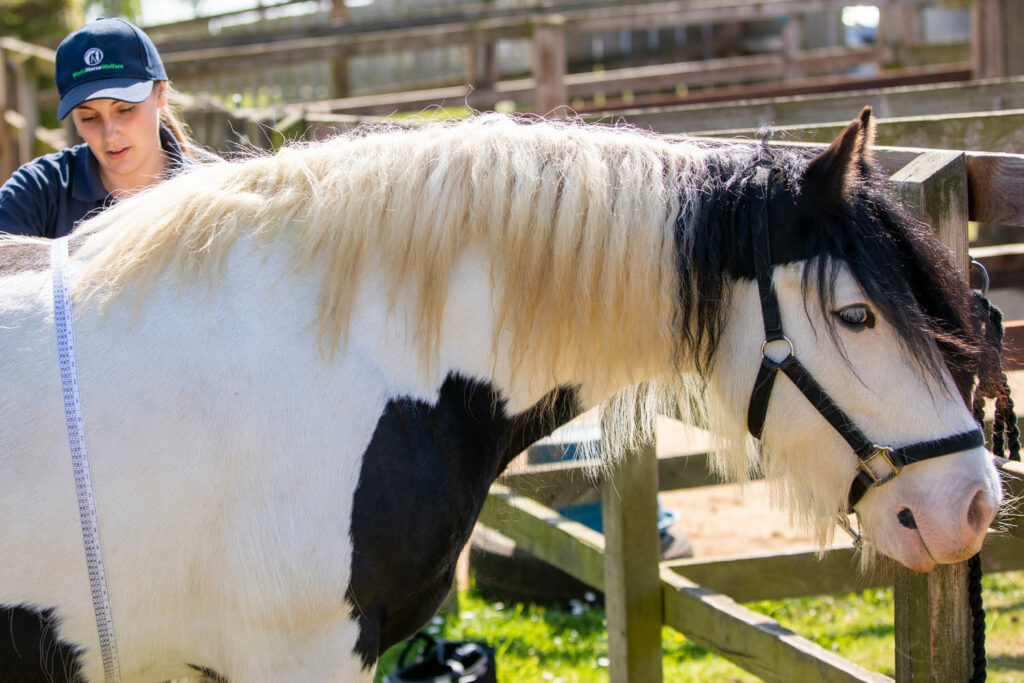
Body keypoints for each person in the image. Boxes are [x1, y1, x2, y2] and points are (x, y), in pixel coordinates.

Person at [0, 17, 194, 238]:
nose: (110, 134)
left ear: (161, 93)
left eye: (125, 109)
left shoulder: (206, 196)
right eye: (89, 117)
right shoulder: (38, 190)